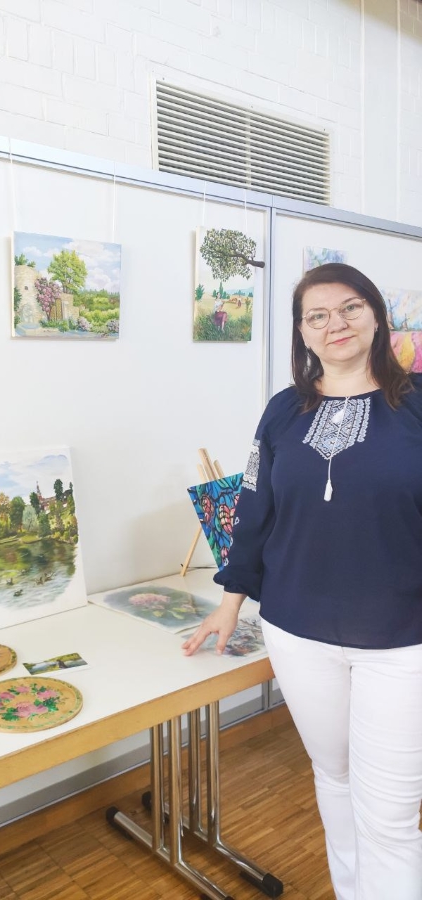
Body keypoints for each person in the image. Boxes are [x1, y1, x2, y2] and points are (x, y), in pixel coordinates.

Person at [182, 263, 422, 900]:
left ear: (375, 315)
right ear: (302, 334)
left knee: (392, 816)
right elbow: (256, 507)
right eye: (318, 315)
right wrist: (230, 603)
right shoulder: (283, 411)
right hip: (297, 631)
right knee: (335, 778)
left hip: (403, 640)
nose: (335, 324)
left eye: (349, 308)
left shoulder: (418, 403)